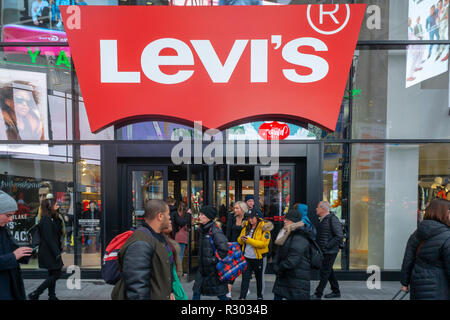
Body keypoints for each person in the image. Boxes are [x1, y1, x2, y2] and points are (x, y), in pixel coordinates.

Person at [112, 199, 175, 300]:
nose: (169, 217)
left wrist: (169, 292)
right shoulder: (140, 243)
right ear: (160, 216)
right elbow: (137, 289)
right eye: (168, 214)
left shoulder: (157, 236)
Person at [400, 199, 450, 300]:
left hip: (417, 286)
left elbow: (408, 260)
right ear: (446, 213)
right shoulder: (447, 236)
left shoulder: (417, 233)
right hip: (440, 288)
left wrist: (405, 283)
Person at [28, 194, 64, 300]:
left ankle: (51, 296)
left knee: (52, 273)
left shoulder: (52, 218)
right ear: (49, 206)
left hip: (51, 251)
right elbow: (49, 239)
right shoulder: (46, 220)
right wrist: (57, 253)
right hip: (49, 252)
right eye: (55, 204)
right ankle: (36, 293)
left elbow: (58, 231)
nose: (58, 204)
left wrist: (57, 214)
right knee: (57, 274)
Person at [272, 209, 313, 300]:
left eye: (288, 219)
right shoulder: (286, 232)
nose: (284, 221)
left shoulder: (300, 235)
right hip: (286, 276)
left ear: (294, 221)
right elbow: (279, 251)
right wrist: (276, 264)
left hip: (296, 279)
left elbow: (293, 259)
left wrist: (279, 268)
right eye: (285, 219)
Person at [192, 205, 230, 300]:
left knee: (220, 294)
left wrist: (212, 260)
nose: (199, 216)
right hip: (202, 269)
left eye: (201, 214)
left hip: (213, 270)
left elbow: (224, 249)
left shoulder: (215, 230)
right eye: (199, 214)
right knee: (196, 291)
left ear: (208, 217)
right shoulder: (203, 229)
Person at [0, 191, 32, 300]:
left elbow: (13, 251)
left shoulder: (3, 229)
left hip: (10, 285)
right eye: (8, 215)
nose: (11, 219)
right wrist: (13, 256)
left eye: (12, 215)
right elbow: (13, 255)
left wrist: (26, 252)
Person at [311, 201, 344, 300]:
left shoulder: (332, 219)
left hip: (330, 251)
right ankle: (336, 291)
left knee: (324, 272)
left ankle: (318, 294)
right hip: (326, 251)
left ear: (322, 209)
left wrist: (327, 246)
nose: (316, 209)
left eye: (317, 207)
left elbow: (339, 235)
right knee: (328, 271)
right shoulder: (324, 219)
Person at [237, 211, 272, 300]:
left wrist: (249, 240)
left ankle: (260, 296)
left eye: (252, 218)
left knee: (259, 278)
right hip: (247, 257)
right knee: (245, 278)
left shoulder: (264, 227)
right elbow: (239, 240)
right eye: (248, 218)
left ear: (257, 217)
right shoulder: (246, 226)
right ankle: (242, 297)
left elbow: (263, 244)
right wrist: (241, 239)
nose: (250, 220)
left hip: (258, 258)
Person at [225, 201, 247, 298]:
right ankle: (228, 290)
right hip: (233, 247)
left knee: (245, 270)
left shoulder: (247, 218)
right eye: (234, 208)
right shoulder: (231, 218)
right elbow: (228, 232)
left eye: (237, 208)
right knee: (232, 268)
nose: (235, 210)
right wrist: (226, 245)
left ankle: (245, 288)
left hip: (244, 247)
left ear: (242, 209)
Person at [163, 217, 187, 300]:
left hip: (173, 281)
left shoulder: (168, 241)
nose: (171, 221)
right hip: (171, 282)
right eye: (168, 219)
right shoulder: (164, 244)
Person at [174, 202, 191, 269]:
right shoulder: (186, 216)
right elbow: (187, 226)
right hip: (183, 237)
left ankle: (177, 270)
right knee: (180, 255)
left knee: (177, 255)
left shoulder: (176, 214)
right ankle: (179, 271)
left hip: (176, 236)